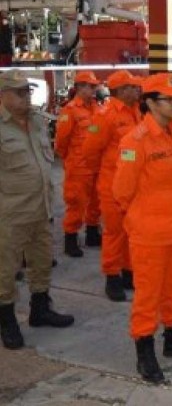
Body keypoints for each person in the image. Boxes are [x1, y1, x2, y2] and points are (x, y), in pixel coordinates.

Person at [113, 73, 172, 383]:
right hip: (150, 234)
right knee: (148, 296)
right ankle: (145, 351)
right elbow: (122, 191)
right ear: (151, 103)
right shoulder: (135, 141)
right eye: (171, 98)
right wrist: (145, 217)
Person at [0, 69, 74, 350]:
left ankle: (40, 310)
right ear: (3, 96)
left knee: (41, 262)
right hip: (10, 214)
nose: (26, 96)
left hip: (41, 209)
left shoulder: (38, 122)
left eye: (27, 91)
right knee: (5, 270)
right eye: (19, 92)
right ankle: (6, 321)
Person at [82, 70, 141, 302]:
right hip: (112, 185)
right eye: (132, 87)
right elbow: (90, 150)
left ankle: (128, 272)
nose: (137, 90)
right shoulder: (105, 115)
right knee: (115, 233)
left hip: (132, 185)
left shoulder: (136, 112)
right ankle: (112, 277)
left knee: (130, 231)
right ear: (121, 90)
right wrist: (107, 173)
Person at [54, 71, 102, 257]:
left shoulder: (97, 108)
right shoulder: (70, 110)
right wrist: (70, 161)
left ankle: (92, 233)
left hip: (95, 165)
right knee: (76, 203)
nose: (93, 89)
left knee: (95, 203)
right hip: (78, 167)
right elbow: (61, 142)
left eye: (94, 86)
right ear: (80, 87)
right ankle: (70, 238)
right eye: (90, 86)